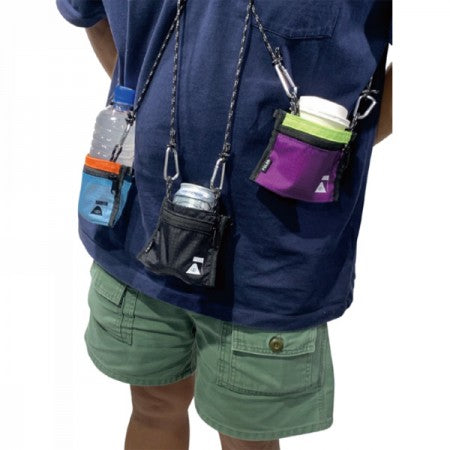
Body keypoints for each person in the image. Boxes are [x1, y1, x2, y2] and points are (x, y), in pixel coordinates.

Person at [56, 1, 392, 449]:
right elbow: (88, 11)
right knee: (153, 404)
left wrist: (339, 149)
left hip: (270, 252)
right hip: (135, 220)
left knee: (247, 437)